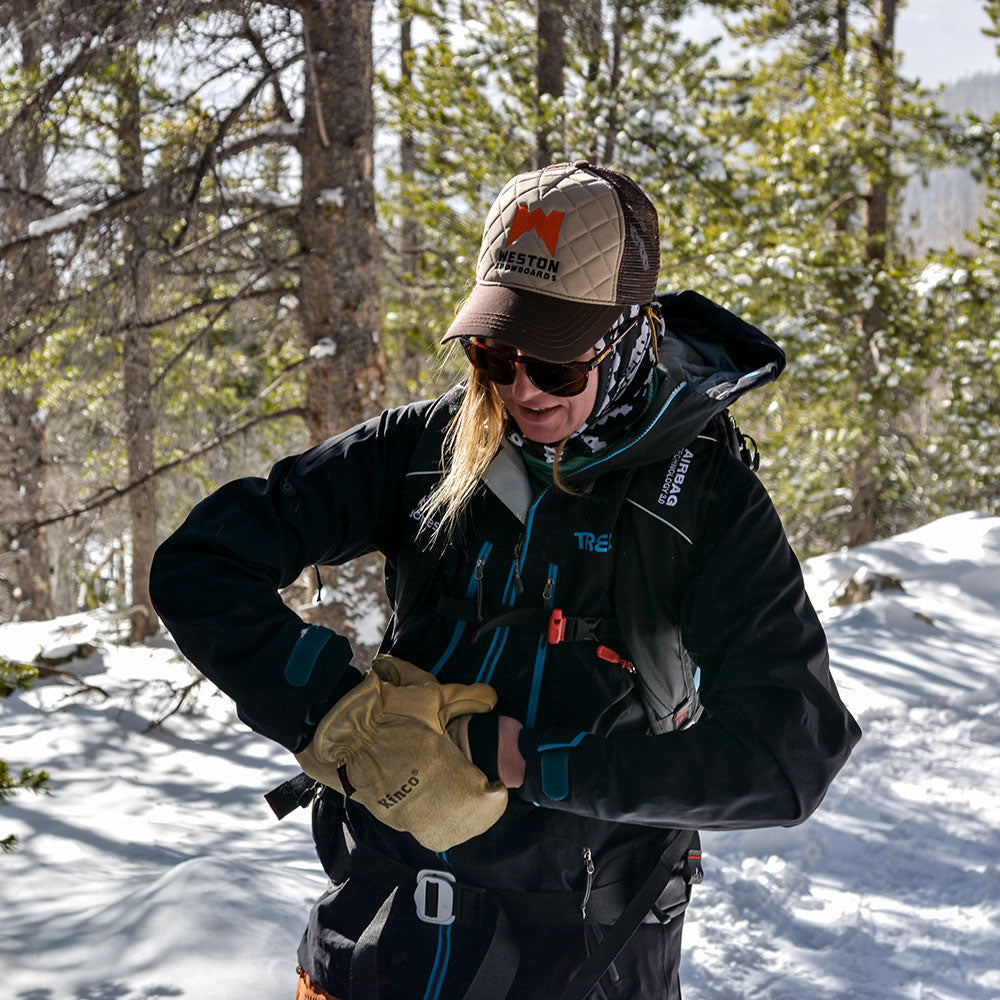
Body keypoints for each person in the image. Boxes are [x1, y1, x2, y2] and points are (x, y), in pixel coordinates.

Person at [150, 161, 861, 1000]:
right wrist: (336, 710)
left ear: (630, 335)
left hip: (581, 955)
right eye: (494, 353)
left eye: (558, 364)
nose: (523, 388)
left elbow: (792, 755)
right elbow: (199, 565)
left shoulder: (701, 497)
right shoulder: (421, 449)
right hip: (380, 938)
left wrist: (547, 766)